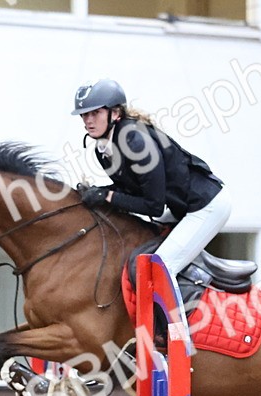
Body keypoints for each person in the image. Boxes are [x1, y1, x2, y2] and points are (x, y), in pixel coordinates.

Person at [71, 79, 231, 290]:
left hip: (205, 206)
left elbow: (153, 206)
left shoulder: (136, 142)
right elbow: (131, 191)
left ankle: (177, 325)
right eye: (84, 115)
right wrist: (101, 191)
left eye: (95, 113)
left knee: (160, 268)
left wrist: (107, 197)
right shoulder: (104, 149)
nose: (88, 121)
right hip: (178, 208)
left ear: (116, 113)